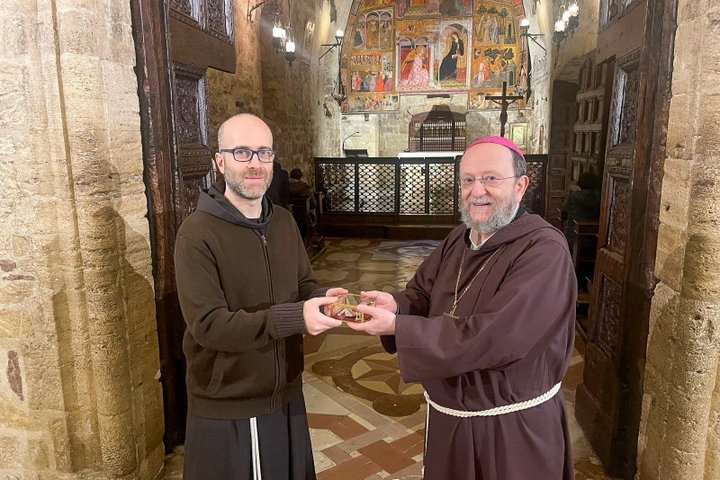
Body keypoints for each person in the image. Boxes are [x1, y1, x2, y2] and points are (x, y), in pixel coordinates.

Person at [347, 136, 577, 479]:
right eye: (468, 180)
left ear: (520, 186)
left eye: (490, 178)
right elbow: (421, 292)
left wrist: (399, 327)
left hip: (510, 429)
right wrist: (396, 305)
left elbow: (497, 338)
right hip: (450, 420)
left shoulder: (543, 250)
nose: (476, 191)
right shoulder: (460, 237)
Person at [174, 113, 345, 480]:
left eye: (264, 153)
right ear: (220, 162)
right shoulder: (196, 234)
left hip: (286, 392)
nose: (255, 163)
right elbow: (209, 326)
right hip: (232, 402)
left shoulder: (283, 221)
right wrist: (296, 317)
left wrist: (323, 298)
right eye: (242, 152)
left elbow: (302, 283)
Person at [561, 170, 602, 251]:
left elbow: (564, 215)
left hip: (572, 239)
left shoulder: (573, 197)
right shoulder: (600, 198)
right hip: (595, 241)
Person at [289, 168, 318, 240]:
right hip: (304, 219)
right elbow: (313, 204)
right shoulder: (305, 187)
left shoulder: (285, 186)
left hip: (290, 217)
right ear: (301, 176)